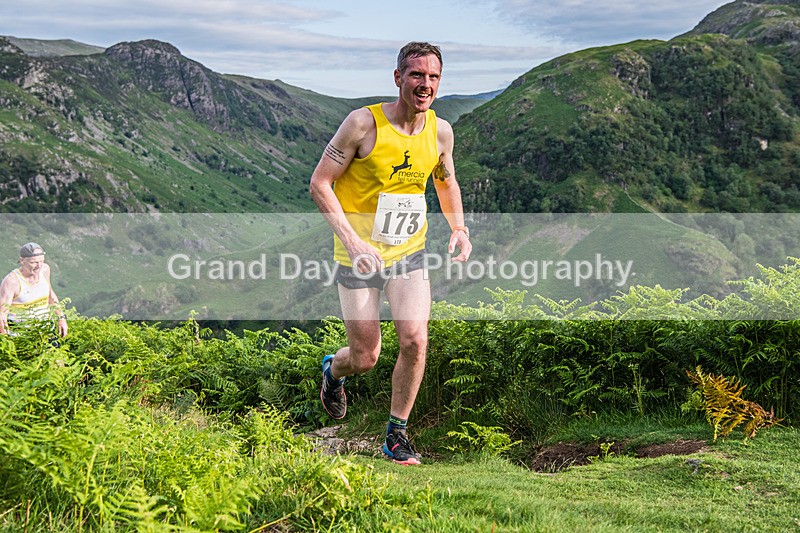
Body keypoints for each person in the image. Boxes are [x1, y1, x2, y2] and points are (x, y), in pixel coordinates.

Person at [309, 42, 472, 465]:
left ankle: (396, 435)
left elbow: (445, 180)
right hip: (358, 257)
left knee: (416, 340)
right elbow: (320, 184)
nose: (425, 84)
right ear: (398, 77)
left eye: (433, 76)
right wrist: (352, 241)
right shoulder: (363, 124)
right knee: (365, 357)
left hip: (409, 253)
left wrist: (459, 227)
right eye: (416, 75)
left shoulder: (440, 131)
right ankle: (334, 371)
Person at [0, 242, 68, 338]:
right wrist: (6, 339)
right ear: (22, 260)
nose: (38, 265)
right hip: (21, 336)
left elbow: (50, 295)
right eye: (33, 262)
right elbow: (2, 313)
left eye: (41, 261)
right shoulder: (11, 281)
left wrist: (61, 318)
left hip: (46, 332)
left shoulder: (45, 270)